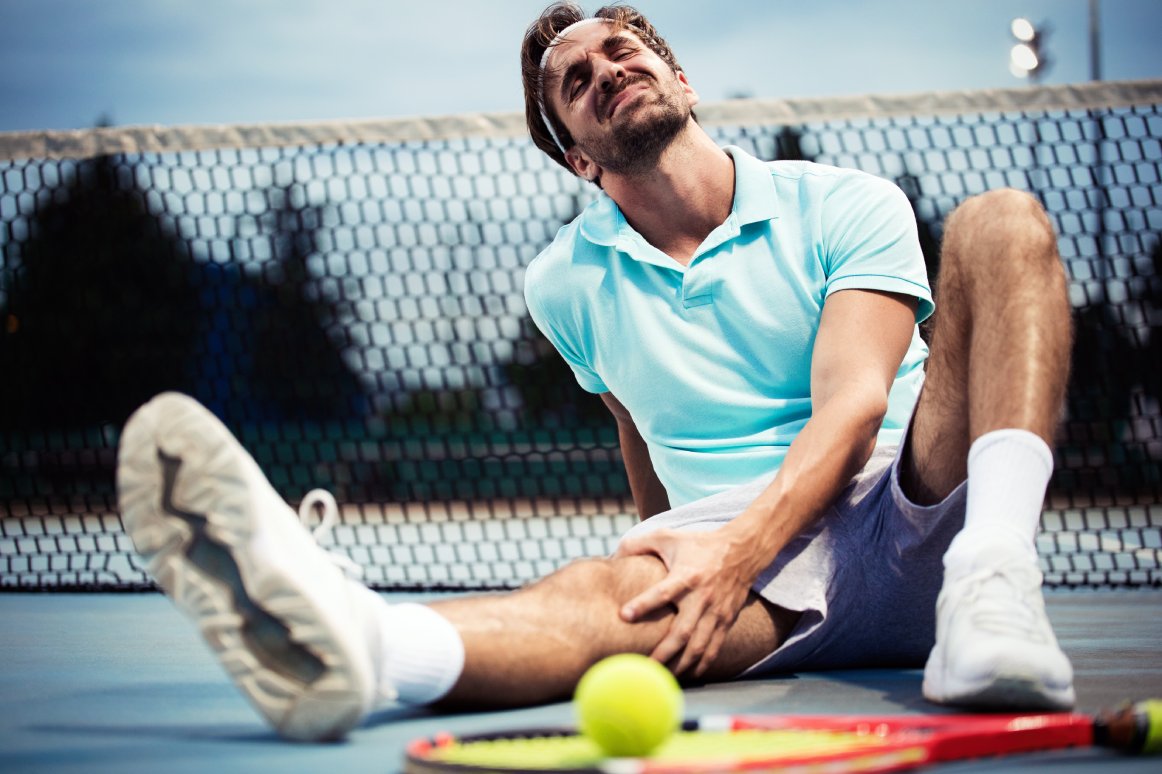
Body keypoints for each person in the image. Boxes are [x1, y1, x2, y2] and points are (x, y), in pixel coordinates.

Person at [116, 2, 1075, 743]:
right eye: (574, 80)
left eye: (623, 51)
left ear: (679, 79)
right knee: (592, 593)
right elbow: (635, 420)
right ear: (577, 154)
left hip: (910, 500)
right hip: (755, 574)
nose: (605, 70)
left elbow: (858, 406)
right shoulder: (562, 284)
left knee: (1002, 220)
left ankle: (998, 588)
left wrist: (731, 551)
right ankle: (355, 648)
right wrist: (661, 548)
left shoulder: (845, 203)